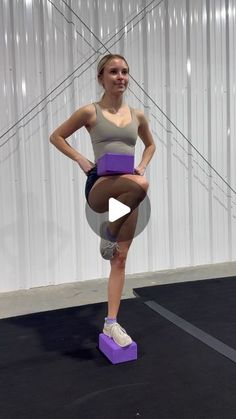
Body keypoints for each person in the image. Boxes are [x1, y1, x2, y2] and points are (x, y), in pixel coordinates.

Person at [50, 53, 156, 347]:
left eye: (124, 71)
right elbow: (56, 136)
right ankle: (108, 232)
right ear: (101, 78)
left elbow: (151, 145)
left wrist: (142, 164)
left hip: (128, 192)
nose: (120, 77)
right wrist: (81, 159)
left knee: (120, 260)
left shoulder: (138, 116)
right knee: (143, 185)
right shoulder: (90, 112)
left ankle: (111, 324)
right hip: (100, 186)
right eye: (113, 72)